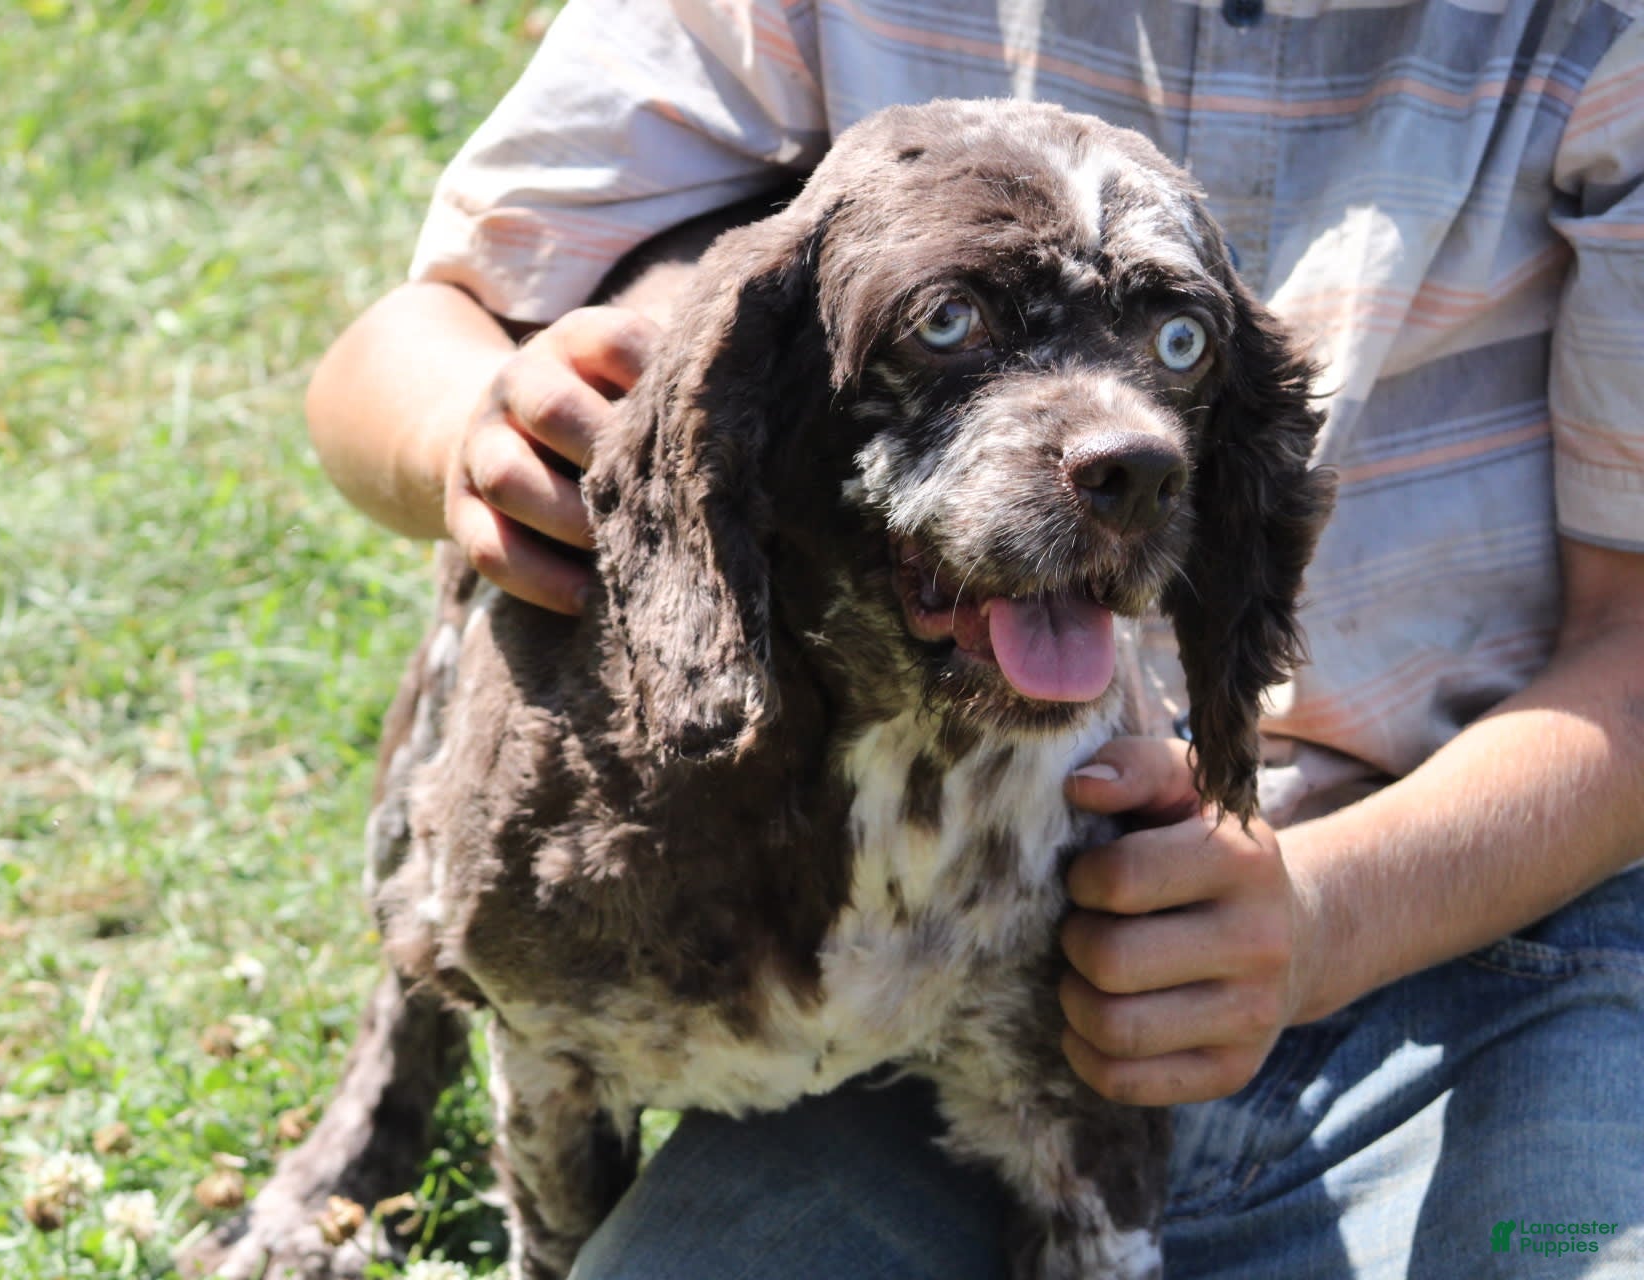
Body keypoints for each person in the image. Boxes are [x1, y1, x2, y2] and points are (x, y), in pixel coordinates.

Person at [304, 2, 1644, 1274]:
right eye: (949, 323)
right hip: (898, 963)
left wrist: (1327, 915)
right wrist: (467, 431)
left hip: (1503, 941)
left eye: (1179, 348)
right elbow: (409, 342)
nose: (1130, 437)